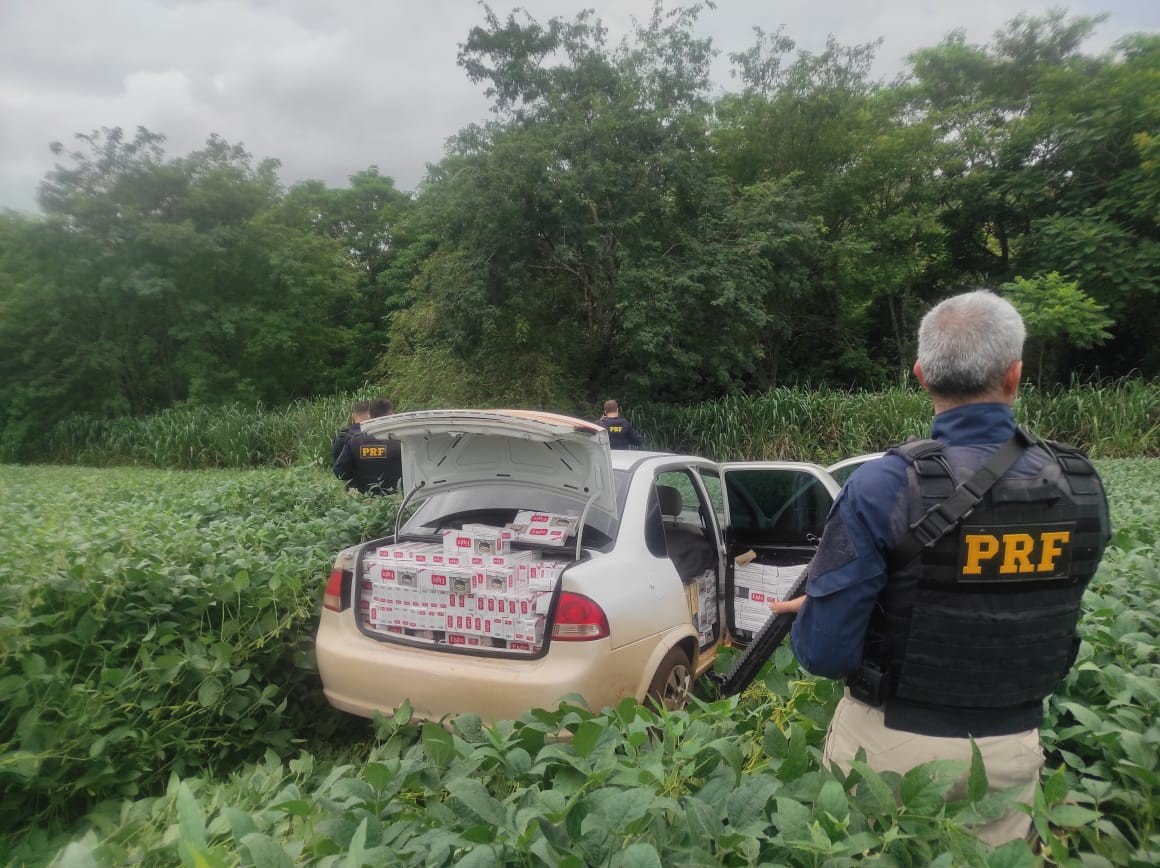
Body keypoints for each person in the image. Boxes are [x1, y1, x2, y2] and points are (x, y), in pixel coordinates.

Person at [785, 289, 1110, 846]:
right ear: (1015, 376)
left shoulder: (883, 485)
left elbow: (825, 654)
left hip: (889, 748)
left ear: (921, 375)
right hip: (1010, 749)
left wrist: (819, 611)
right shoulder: (1079, 484)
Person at [333, 397, 403, 494]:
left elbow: (340, 472)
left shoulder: (354, 441)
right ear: (392, 415)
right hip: (396, 501)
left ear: (370, 416)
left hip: (364, 502)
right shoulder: (401, 441)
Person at [331, 400, 371, 469]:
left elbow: (337, 465)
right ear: (370, 416)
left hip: (350, 478)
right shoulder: (375, 436)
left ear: (352, 417)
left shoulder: (341, 437)